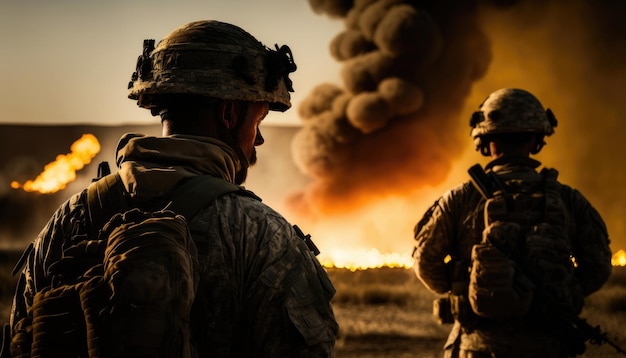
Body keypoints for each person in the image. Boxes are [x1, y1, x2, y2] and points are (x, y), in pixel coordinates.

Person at [7, 20, 338, 357]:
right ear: (228, 113)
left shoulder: (71, 218)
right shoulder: (263, 235)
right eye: (258, 121)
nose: (260, 139)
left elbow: (21, 338)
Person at [411, 88, 612, 357]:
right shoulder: (568, 200)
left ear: (484, 139)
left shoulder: (459, 199)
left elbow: (426, 263)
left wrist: (467, 283)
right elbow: (598, 266)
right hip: (549, 345)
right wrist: (558, 290)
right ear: (537, 139)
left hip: (477, 346)